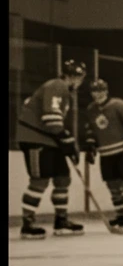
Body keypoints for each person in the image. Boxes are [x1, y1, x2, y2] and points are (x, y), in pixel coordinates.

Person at [15, 59, 87, 239]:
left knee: (63, 178)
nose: (79, 81)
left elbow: (55, 123)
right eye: (80, 77)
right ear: (76, 77)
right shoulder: (57, 86)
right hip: (36, 140)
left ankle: (61, 220)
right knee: (39, 180)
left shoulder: (63, 90)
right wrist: (67, 141)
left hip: (49, 141)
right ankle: (27, 224)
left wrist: (69, 143)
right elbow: (52, 119)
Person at [82, 79, 123, 230]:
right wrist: (91, 146)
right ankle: (120, 215)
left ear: (106, 90)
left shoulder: (119, 105)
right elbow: (91, 131)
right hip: (106, 154)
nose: (98, 94)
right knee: (112, 186)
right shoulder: (91, 109)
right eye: (94, 91)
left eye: (101, 90)